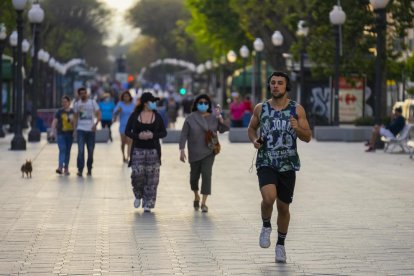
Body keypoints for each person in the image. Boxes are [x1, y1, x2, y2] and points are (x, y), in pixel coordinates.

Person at [247, 71, 312, 263]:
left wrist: (297, 127)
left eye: (280, 83)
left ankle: (280, 245)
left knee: (283, 208)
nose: (276, 86)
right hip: (266, 160)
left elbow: (307, 137)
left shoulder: (297, 110)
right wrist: (254, 141)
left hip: (288, 163)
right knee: (269, 198)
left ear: (286, 87)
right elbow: (251, 128)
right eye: (273, 83)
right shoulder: (261, 108)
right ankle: (266, 225)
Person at [179, 94, 229, 213]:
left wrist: (220, 118)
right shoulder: (190, 118)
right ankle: (196, 195)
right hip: (194, 152)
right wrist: (182, 150)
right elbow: (184, 134)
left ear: (209, 105)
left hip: (209, 151)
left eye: (205, 103)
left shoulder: (213, 117)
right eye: (200, 102)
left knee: (207, 175)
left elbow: (223, 129)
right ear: (196, 104)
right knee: (193, 178)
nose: (203, 105)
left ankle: (204, 203)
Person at [125, 92, 167, 212]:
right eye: (152, 101)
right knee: (137, 175)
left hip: (153, 150)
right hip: (138, 150)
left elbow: (164, 133)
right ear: (145, 103)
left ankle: (148, 202)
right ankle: (138, 195)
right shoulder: (134, 115)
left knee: (152, 178)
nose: (154, 104)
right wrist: (138, 136)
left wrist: (153, 135)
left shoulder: (157, 116)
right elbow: (127, 131)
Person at [73, 87, 102, 177]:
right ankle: (80, 169)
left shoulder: (92, 102)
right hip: (80, 129)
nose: (83, 95)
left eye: (84, 93)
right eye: (81, 93)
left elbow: (98, 113)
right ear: (79, 94)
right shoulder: (77, 104)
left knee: (90, 151)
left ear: (87, 94)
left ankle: (89, 168)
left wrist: (96, 124)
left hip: (90, 130)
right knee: (80, 150)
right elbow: (75, 117)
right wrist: (74, 129)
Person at [50, 95, 75, 175]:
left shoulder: (73, 112)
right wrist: (52, 132)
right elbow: (55, 121)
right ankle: (60, 167)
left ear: (69, 102)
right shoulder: (59, 112)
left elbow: (75, 123)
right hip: (61, 134)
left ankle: (66, 168)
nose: (64, 103)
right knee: (62, 149)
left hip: (70, 134)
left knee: (67, 151)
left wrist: (73, 125)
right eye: (62, 102)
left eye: (65, 102)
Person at [113, 90, 135, 163]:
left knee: (130, 142)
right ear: (123, 97)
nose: (126, 97)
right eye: (125, 96)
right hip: (122, 126)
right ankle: (123, 156)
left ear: (129, 97)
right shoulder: (120, 104)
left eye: (127, 96)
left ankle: (129, 157)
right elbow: (114, 113)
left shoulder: (133, 104)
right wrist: (118, 110)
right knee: (123, 142)